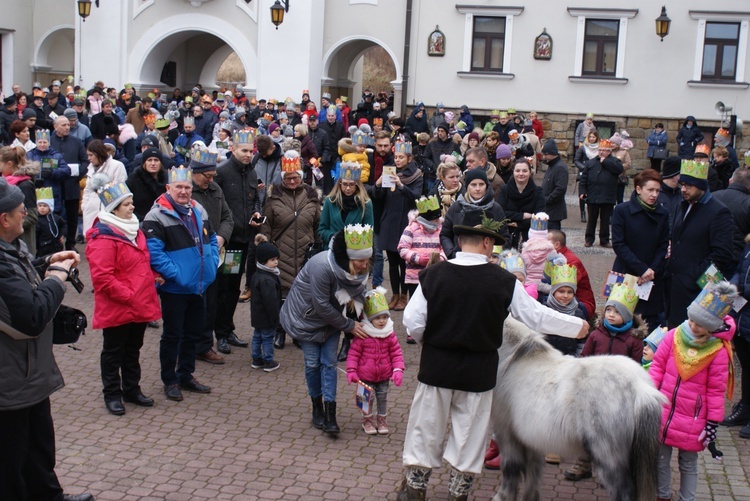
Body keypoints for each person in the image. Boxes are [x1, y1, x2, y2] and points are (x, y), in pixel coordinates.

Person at [398, 210, 587, 501]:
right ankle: (457, 494)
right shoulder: (502, 281)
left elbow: (412, 320)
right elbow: (535, 316)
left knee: (426, 426)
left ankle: (415, 490)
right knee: (469, 434)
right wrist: (576, 326)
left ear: (460, 241)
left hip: (437, 365)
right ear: (487, 244)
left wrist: (432, 341)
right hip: (480, 369)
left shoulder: (433, 274)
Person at [0, 177, 94, 501]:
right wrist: (57, 278)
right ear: (4, 219)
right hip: (10, 378)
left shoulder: (11, 246)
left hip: (28, 371)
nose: (25, 213)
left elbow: (19, 283)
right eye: (20, 210)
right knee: (11, 462)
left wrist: (46, 263)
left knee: (39, 448)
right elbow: (32, 315)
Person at [280, 225, 371, 436]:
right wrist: (349, 326)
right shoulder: (323, 266)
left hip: (332, 323)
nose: (365, 265)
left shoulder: (358, 270)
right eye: (360, 261)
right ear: (347, 258)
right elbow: (321, 305)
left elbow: (359, 296)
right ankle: (316, 406)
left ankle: (330, 414)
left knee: (329, 364)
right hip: (307, 320)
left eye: (367, 260)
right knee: (312, 364)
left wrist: (372, 318)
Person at [650, 282, 737, 501]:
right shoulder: (674, 335)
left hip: (693, 417)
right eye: (691, 320)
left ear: (712, 326)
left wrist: (712, 422)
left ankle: (686, 498)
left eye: (700, 324)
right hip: (664, 409)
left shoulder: (718, 351)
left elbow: (717, 390)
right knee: (660, 458)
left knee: (688, 463)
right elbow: (658, 365)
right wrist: (650, 392)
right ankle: (662, 495)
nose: (693, 326)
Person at [142, 165, 219, 402]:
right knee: (173, 335)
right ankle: (170, 380)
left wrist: (213, 262)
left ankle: (186, 374)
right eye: (179, 187)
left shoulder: (198, 210)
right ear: (168, 188)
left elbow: (212, 239)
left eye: (187, 187)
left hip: (199, 286)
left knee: (193, 333)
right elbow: (154, 253)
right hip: (176, 288)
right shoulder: (155, 216)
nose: (184, 191)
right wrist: (178, 274)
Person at [85, 175, 160, 415]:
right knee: (113, 352)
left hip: (138, 302)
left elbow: (142, 261)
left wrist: (154, 275)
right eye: (127, 204)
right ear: (114, 209)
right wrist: (129, 295)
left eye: (131, 203)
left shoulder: (134, 230)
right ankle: (112, 394)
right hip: (120, 304)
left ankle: (131, 389)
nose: (132, 207)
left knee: (133, 349)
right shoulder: (104, 238)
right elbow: (102, 278)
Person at [564, 283, 646, 482]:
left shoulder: (634, 341)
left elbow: (635, 367)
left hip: (617, 393)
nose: (610, 314)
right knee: (588, 428)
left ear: (626, 316)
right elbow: (584, 357)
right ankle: (584, 463)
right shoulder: (596, 334)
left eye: (617, 312)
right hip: (593, 389)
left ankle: (608, 469)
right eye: (609, 309)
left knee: (611, 432)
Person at [260, 151, 321, 349]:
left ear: (301, 177)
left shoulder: (311, 197)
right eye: (288, 178)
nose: (292, 181)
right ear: (283, 178)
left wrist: (318, 249)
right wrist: (266, 249)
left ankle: (298, 332)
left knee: (302, 298)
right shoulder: (273, 198)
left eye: (295, 177)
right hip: (280, 255)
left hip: (305, 255)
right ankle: (280, 331)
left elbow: (317, 226)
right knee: (281, 297)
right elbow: (266, 227)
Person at [666, 159, 736, 328]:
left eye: (689, 185)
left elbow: (722, 255)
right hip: (672, 285)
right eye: (682, 184)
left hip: (695, 291)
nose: (683, 189)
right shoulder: (681, 204)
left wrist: (695, 278)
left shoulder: (719, 212)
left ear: (701, 186)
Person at [213, 130, 262, 354]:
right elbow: (216, 207)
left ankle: (227, 328)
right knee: (225, 287)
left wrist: (256, 214)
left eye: (251, 151)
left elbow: (255, 202)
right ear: (233, 149)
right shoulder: (222, 172)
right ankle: (221, 333)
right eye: (243, 151)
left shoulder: (251, 173)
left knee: (233, 287)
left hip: (244, 239)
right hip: (228, 241)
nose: (247, 155)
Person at [189, 149, 233, 365]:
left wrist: (222, 237)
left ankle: (205, 345)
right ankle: (189, 344)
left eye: (213, 175)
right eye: (207, 176)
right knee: (193, 303)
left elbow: (227, 216)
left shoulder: (215, 189)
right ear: (195, 173)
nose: (211, 180)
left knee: (211, 302)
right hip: (190, 257)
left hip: (213, 255)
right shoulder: (184, 190)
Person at [611, 169, 670, 330]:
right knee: (622, 317)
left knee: (651, 321)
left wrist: (652, 270)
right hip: (627, 272)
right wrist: (641, 269)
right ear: (638, 189)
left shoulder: (662, 213)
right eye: (650, 190)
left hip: (652, 276)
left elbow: (663, 245)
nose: (654, 194)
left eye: (657, 190)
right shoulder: (622, 211)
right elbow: (619, 244)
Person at [346, 288, 405, 435]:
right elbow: (353, 353)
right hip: (365, 375)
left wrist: (398, 369)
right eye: (378, 318)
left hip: (383, 375)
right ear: (369, 318)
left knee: (382, 397)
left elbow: (396, 353)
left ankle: (382, 420)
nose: (382, 321)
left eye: (385, 317)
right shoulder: (363, 334)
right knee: (366, 398)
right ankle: (367, 420)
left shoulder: (389, 334)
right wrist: (351, 370)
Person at [372, 140, 423, 311]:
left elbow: (416, 197)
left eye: (401, 157)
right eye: (396, 157)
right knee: (392, 263)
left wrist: (401, 185)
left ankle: (404, 296)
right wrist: (378, 185)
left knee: (404, 263)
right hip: (389, 221)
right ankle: (394, 295)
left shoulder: (416, 175)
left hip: (405, 223)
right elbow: (379, 196)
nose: (398, 160)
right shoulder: (389, 172)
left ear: (409, 158)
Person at [398, 195, 445, 343]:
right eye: (434, 220)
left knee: (432, 301)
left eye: (438, 220)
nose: (437, 223)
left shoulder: (441, 230)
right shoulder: (411, 229)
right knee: (414, 303)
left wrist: (439, 259)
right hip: (414, 276)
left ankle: (431, 328)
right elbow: (402, 248)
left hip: (434, 274)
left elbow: (445, 248)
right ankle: (411, 330)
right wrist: (418, 258)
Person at [440, 168, 509, 260]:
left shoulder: (496, 208)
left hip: (488, 261)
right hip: (461, 259)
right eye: (473, 185)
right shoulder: (456, 207)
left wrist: (494, 255)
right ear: (467, 186)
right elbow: (445, 234)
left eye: (481, 184)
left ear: (486, 186)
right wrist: (452, 253)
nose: (478, 189)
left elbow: (504, 237)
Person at [318, 162, 374, 249]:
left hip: (355, 252)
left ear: (357, 185)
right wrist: (332, 236)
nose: (348, 188)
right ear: (339, 184)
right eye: (344, 184)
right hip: (332, 250)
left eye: (351, 184)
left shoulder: (365, 203)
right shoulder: (330, 201)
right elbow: (322, 229)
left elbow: (369, 232)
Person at [579, 138, 622, 248]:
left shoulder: (615, 161)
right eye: (600, 150)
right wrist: (583, 191)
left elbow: (618, 169)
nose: (601, 152)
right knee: (592, 219)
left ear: (609, 151)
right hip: (593, 195)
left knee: (605, 220)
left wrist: (605, 162)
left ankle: (604, 240)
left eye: (604, 150)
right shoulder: (591, 163)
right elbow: (583, 178)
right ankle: (589, 239)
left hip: (608, 196)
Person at [727, 235, 750, 434]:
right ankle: (745, 407)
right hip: (743, 317)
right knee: (746, 366)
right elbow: (739, 271)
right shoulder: (748, 245)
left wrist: (743, 289)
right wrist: (734, 285)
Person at [249, 234, 282, 373]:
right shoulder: (267, 279)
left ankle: (256, 358)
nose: (276, 262)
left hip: (257, 315)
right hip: (267, 316)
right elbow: (271, 301)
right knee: (267, 337)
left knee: (257, 336)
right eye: (272, 260)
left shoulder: (257, 274)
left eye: (276, 259)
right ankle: (268, 360)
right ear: (263, 261)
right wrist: (275, 318)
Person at [82, 139, 127, 234]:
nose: (88, 158)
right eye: (88, 155)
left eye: (91, 155)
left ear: (98, 153)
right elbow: (87, 190)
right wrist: (85, 206)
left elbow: (120, 192)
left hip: (110, 214)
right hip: (91, 213)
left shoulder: (117, 166)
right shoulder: (90, 168)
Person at [498, 158, 544, 249]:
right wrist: (523, 215)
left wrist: (517, 224)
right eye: (518, 170)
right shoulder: (505, 190)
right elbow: (501, 213)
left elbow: (540, 217)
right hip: (508, 237)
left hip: (530, 238)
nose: (521, 174)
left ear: (530, 172)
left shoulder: (538, 192)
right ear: (513, 172)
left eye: (524, 171)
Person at [1, 145, 39, 254]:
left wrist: (11, 222)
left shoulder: (25, 185)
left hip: (22, 243)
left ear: (9, 164)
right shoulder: (4, 182)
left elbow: (32, 216)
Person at [126, 147, 167, 223]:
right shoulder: (133, 179)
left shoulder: (166, 179)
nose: (153, 163)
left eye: (156, 160)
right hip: (140, 221)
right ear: (144, 163)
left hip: (162, 221)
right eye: (149, 160)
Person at [539, 139, 568, 230]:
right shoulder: (552, 166)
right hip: (549, 209)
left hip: (554, 211)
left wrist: (547, 200)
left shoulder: (560, 168)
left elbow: (560, 189)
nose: (544, 157)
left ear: (551, 153)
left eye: (545, 154)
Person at [573, 131, 599, 223]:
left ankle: (592, 213)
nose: (592, 138)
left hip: (596, 173)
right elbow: (576, 160)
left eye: (593, 137)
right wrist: (584, 168)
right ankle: (582, 212)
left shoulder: (599, 148)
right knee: (582, 194)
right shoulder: (583, 148)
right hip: (584, 173)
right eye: (590, 137)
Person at [35, 187, 65, 257]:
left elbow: (63, 225)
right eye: (40, 206)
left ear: (50, 207)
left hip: (56, 247)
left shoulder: (56, 218)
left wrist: (62, 235)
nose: (42, 208)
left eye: (45, 206)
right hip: (43, 249)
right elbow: (35, 235)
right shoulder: (37, 220)